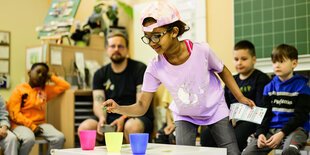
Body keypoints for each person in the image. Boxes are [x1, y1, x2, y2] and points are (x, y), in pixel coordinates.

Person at [103, 2, 255, 155]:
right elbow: (142, 105)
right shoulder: (155, 67)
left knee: (232, 152)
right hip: (185, 115)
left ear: (174, 32)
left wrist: (240, 96)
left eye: (156, 36)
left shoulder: (202, 51)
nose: (151, 43)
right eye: (147, 37)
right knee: (184, 153)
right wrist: (118, 108)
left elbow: (223, 70)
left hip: (215, 109)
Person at [77, 32, 154, 144]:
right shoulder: (100, 74)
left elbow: (140, 104)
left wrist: (123, 118)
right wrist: (102, 118)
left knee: (132, 126)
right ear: (107, 49)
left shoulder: (139, 69)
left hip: (136, 116)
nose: (116, 49)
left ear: (127, 49)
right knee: (85, 128)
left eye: (120, 46)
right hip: (108, 117)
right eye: (113, 46)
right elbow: (99, 102)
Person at [200, 40, 271, 151]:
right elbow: (224, 104)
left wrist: (260, 130)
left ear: (254, 59)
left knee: (235, 138)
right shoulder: (232, 80)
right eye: (236, 59)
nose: (239, 63)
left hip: (251, 121)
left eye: (244, 59)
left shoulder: (261, 79)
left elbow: (262, 107)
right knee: (206, 137)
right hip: (232, 121)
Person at [242, 44, 310, 155]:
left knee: (289, 151)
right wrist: (261, 134)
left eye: (281, 61)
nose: (277, 65)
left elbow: (300, 117)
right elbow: (265, 114)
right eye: (274, 62)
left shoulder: (302, 87)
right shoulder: (268, 88)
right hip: (271, 130)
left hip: (296, 129)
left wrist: (282, 133)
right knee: (247, 153)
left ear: (294, 63)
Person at [6, 63, 70, 155]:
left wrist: (51, 76)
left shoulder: (45, 90)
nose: (40, 76)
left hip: (40, 124)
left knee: (59, 138)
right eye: (38, 72)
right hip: (20, 125)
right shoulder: (19, 89)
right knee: (29, 139)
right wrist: (32, 126)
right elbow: (13, 114)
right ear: (29, 73)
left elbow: (65, 86)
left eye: (44, 75)